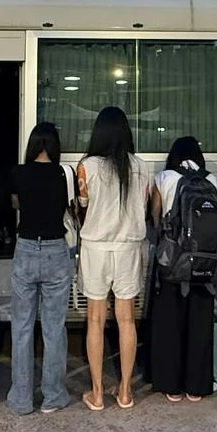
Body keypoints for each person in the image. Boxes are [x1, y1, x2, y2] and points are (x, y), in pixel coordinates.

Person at [75, 106, 152, 411]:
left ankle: (96, 394)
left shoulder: (87, 167)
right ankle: (125, 391)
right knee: (127, 320)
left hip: (95, 247)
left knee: (95, 319)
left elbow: (82, 204)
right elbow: (144, 205)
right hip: (129, 247)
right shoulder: (141, 167)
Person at [7, 122, 75, 415]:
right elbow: (71, 207)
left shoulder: (18, 173)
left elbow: (16, 204)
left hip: (25, 248)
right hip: (55, 251)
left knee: (21, 327)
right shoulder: (64, 174)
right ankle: (53, 395)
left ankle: (21, 400)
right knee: (54, 327)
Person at [148, 136, 217, 402]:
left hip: (174, 261)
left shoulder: (164, 178)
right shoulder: (214, 181)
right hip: (206, 262)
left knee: (170, 322)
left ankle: (171, 385)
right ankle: (197, 386)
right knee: (200, 322)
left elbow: (156, 216)